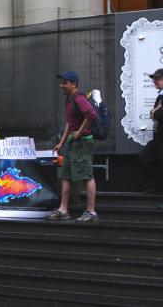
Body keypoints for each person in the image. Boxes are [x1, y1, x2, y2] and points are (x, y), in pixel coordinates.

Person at [51, 71, 98, 223]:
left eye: (65, 83)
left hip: (82, 142)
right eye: (61, 82)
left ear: (74, 84)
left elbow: (91, 114)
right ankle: (63, 209)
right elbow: (69, 124)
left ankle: (91, 212)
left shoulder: (79, 98)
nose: (61, 85)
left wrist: (80, 132)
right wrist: (62, 142)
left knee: (86, 174)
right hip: (72, 142)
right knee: (66, 175)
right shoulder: (69, 100)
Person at [139, 69, 163, 209]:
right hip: (158, 138)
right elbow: (154, 113)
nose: (154, 81)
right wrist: (155, 111)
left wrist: (156, 112)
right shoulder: (160, 95)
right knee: (145, 157)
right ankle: (157, 185)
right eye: (154, 79)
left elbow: (159, 115)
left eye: (157, 79)